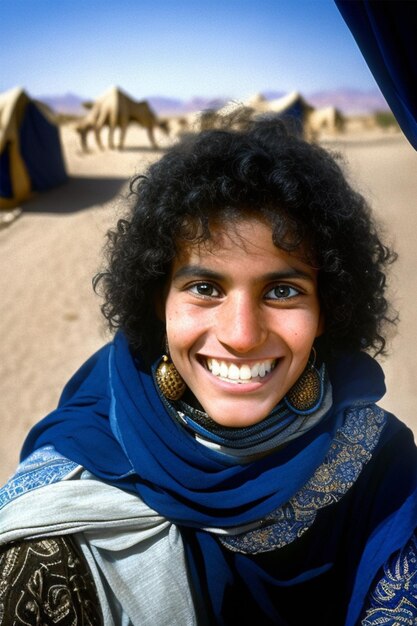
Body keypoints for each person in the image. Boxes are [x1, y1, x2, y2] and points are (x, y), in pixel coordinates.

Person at [0, 119, 416, 626]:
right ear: (160, 300)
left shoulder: (381, 471)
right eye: (205, 288)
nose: (241, 335)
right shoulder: (72, 483)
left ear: (326, 311)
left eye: (282, 291)